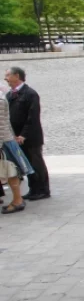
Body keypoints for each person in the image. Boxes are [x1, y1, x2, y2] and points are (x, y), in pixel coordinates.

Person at [4, 67, 50, 200]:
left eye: (8, 75)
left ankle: (43, 190)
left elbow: (32, 117)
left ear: (17, 76)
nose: (5, 79)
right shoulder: (9, 95)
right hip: (16, 137)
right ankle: (33, 189)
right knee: (27, 164)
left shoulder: (30, 94)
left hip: (31, 137)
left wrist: (23, 135)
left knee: (36, 163)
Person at [0, 91, 33, 214]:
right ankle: (17, 200)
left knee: (11, 172)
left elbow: (1, 125)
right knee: (11, 172)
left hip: (3, 142)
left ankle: (17, 201)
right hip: (6, 140)